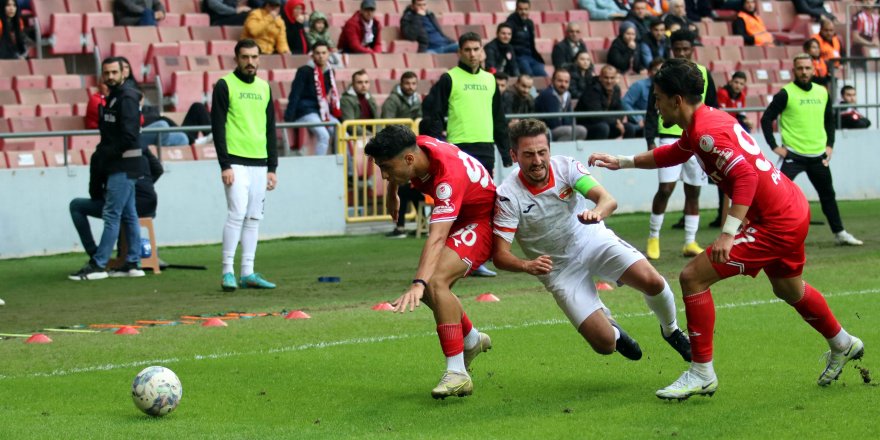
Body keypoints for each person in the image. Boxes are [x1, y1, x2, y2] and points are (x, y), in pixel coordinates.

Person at [588, 57, 865, 401]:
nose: (654, 104)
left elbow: (745, 177)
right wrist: (625, 161)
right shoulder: (706, 122)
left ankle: (702, 372)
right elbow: (675, 152)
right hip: (789, 207)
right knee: (788, 289)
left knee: (692, 277)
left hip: (775, 221)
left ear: (676, 100)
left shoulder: (705, 131)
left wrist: (728, 232)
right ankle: (843, 343)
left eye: (658, 97)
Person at [493, 118, 692, 365]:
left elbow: (607, 199)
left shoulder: (566, 167)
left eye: (542, 152)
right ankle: (614, 332)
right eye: (529, 154)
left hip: (591, 239)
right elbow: (500, 255)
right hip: (558, 268)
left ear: (549, 150)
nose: (537, 161)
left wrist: (597, 212)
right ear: (514, 155)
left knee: (652, 281)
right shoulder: (507, 196)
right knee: (604, 345)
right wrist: (527, 265)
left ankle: (671, 330)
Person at [365, 125, 495, 399]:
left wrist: (417, 282)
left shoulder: (447, 178)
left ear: (409, 160)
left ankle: (458, 374)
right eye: (380, 168)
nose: (385, 174)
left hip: (482, 219)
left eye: (387, 168)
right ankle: (471, 340)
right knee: (430, 289)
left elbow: (436, 238)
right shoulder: (416, 146)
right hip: (462, 212)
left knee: (433, 282)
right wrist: (392, 192)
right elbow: (396, 165)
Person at [421, 32, 512, 277]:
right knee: (456, 206)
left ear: (482, 51)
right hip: (459, 151)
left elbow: (499, 119)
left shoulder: (491, 80)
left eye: (476, 49)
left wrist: (505, 151)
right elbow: (432, 113)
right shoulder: (449, 78)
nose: (472, 54)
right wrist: (436, 146)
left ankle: (475, 257)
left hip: (485, 149)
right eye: (468, 49)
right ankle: (451, 257)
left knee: (483, 207)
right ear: (460, 52)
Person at [760, 54, 863, 246]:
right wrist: (774, 147)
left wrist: (830, 145)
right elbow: (766, 119)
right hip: (792, 155)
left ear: (813, 70)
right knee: (774, 195)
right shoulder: (785, 93)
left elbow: (829, 120)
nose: (804, 72)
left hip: (818, 156)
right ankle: (766, 234)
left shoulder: (822, 92)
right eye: (800, 68)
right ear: (794, 70)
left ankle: (840, 233)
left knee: (828, 195)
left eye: (807, 68)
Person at [69, 57, 146, 281]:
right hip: (125, 164)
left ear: (125, 72)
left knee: (112, 214)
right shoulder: (116, 97)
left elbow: (129, 136)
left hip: (123, 165)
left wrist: (106, 155)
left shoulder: (127, 97)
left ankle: (99, 264)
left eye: (114, 72)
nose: (110, 76)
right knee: (129, 214)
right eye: (107, 73)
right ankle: (133, 263)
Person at [211, 39, 279, 291]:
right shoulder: (225, 85)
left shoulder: (264, 87)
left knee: (253, 217)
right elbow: (217, 127)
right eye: (245, 57)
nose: (250, 62)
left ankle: (247, 272)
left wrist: (273, 167)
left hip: (260, 163)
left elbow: (270, 127)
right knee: (237, 214)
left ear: (259, 59)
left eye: (254, 57)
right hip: (235, 162)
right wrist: (224, 164)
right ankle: (227, 271)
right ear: (236, 59)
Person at [643, 29, 717, 260]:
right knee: (665, 189)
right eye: (678, 49)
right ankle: (653, 237)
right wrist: (650, 139)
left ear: (692, 49)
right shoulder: (664, 74)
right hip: (669, 136)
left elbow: (713, 106)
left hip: (697, 139)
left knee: (693, 190)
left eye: (686, 48)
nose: (682, 52)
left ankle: (689, 242)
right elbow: (651, 108)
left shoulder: (703, 73)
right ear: (671, 49)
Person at [70, 145, 162, 265]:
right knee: (121, 209)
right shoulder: (141, 147)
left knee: (76, 206)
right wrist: (145, 184)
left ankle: (94, 253)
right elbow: (158, 170)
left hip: (125, 204)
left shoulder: (101, 153)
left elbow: (95, 190)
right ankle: (128, 256)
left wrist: (107, 194)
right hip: (149, 205)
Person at [381, 71, 423, 239]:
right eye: (407, 83)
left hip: (411, 149)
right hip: (397, 150)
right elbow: (387, 124)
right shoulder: (392, 101)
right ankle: (410, 225)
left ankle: (403, 227)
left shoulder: (416, 100)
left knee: (407, 189)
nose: (410, 87)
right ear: (401, 83)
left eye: (413, 83)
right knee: (404, 188)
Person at [284, 41, 342, 156]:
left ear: (328, 54)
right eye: (318, 53)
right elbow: (295, 94)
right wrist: (289, 117)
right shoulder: (304, 71)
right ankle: (318, 170)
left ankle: (347, 171)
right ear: (312, 55)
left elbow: (328, 96)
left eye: (324, 53)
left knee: (342, 132)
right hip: (305, 111)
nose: (321, 56)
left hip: (321, 112)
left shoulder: (330, 72)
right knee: (324, 135)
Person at [575, 65, 634, 140]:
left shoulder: (616, 89)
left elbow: (620, 111)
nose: (609, 81)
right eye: (606, 78)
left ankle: (628, 151)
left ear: (615, 78)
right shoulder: (592, 90)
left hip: (606, 123)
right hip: (586, 125)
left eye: (612, 78)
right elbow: (596, 115)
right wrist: (616, 122)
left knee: (629, 127)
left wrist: (618, 121)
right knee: (603, 128)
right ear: (600, 78)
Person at [534, 68, 588, 141]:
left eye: (566, 82)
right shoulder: (548, 94)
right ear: (552, 81)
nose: (563, 84)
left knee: (582, 130)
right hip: (546, 130)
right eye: (560, 81)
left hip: (562, 127)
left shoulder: (567, 94)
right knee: (568, 131)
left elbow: (570, 117)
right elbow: (553, 122)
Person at [623, 58, 664, 137]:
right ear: (649, 72)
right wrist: (638, 119)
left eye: (662, 69)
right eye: (655, 70)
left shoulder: (668, 87)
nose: (659, 72)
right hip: (643, 123)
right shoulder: (639, 85)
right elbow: (625, 102)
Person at [505, 0, 547, 77]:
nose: (524, 12)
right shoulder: (510, 23)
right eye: (521, 9)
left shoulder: (529, 23)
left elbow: (531, 44)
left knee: (544, 76)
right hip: (518, 57)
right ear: (516, 9)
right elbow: (507, 45)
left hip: (531, 56)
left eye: (526, 9)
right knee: (529, 77)